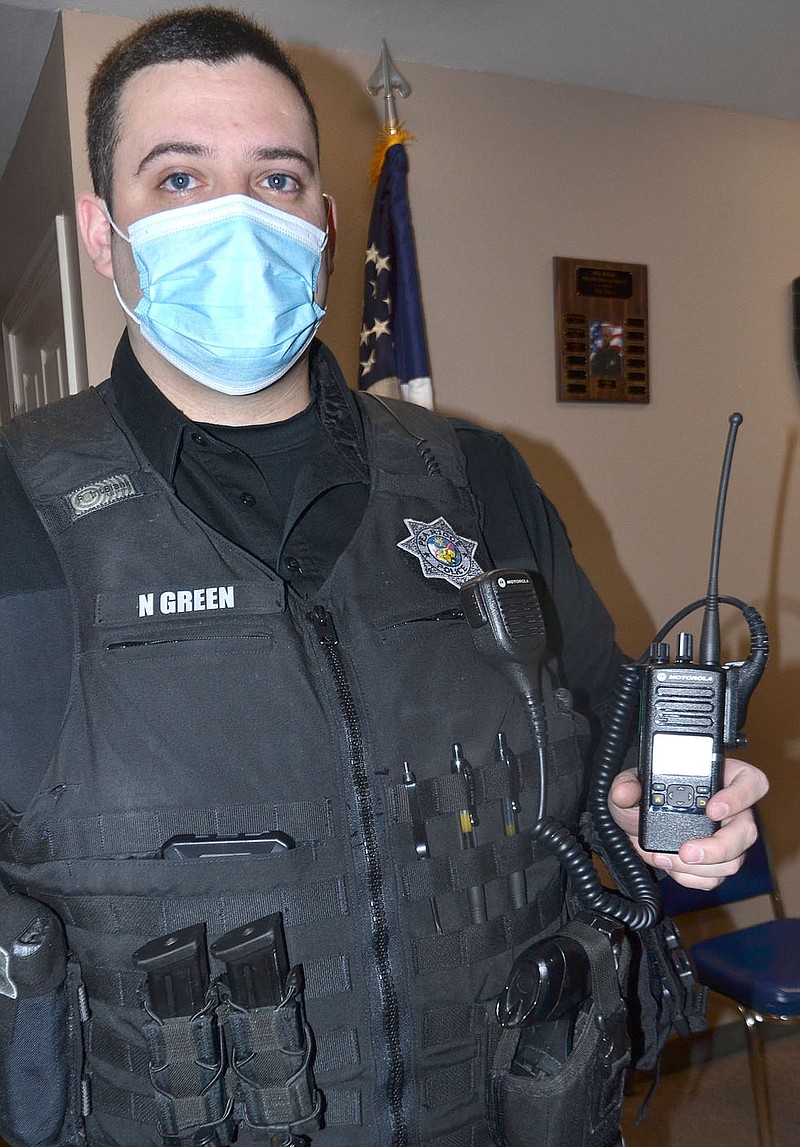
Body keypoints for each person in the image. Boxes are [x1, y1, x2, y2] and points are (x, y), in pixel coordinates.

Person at [0, 8, 767, 1147]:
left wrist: (660, 824)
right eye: (177, 177)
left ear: (321, 220)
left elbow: (609, 733)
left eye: (274, 177)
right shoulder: (18, 506)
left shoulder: (480, 477)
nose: (235, 216)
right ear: (103, 233)